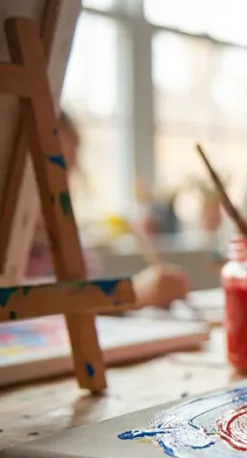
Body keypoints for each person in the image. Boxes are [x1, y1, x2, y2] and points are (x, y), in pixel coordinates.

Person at [25, 110, 191, 309]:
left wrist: (141, 296)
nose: (58, 187)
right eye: (44, 173)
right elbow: (34, 306)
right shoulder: (17, 254)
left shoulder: (70, 246)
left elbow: (88, 312)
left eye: (67, 172)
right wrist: (133, 293)